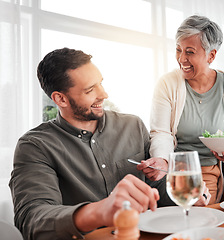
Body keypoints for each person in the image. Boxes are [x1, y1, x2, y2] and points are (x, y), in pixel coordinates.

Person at [8, 48, 209, 240]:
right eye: (89, 90)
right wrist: (100, 211)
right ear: (60, 99)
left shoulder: (132, 125)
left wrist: (186, 194)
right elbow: (32, 221)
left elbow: (155, 186)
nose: (103, 95)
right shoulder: (35, 146)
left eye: (100, 84)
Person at [145, 15, 224, 204]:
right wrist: (162, 160)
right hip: (173, 170)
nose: (181, 58)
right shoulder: (167, 83)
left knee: (201, 215)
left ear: (211, 55)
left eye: (190, 52)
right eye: (178, 50)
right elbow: (161, 132)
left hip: (206, 172)